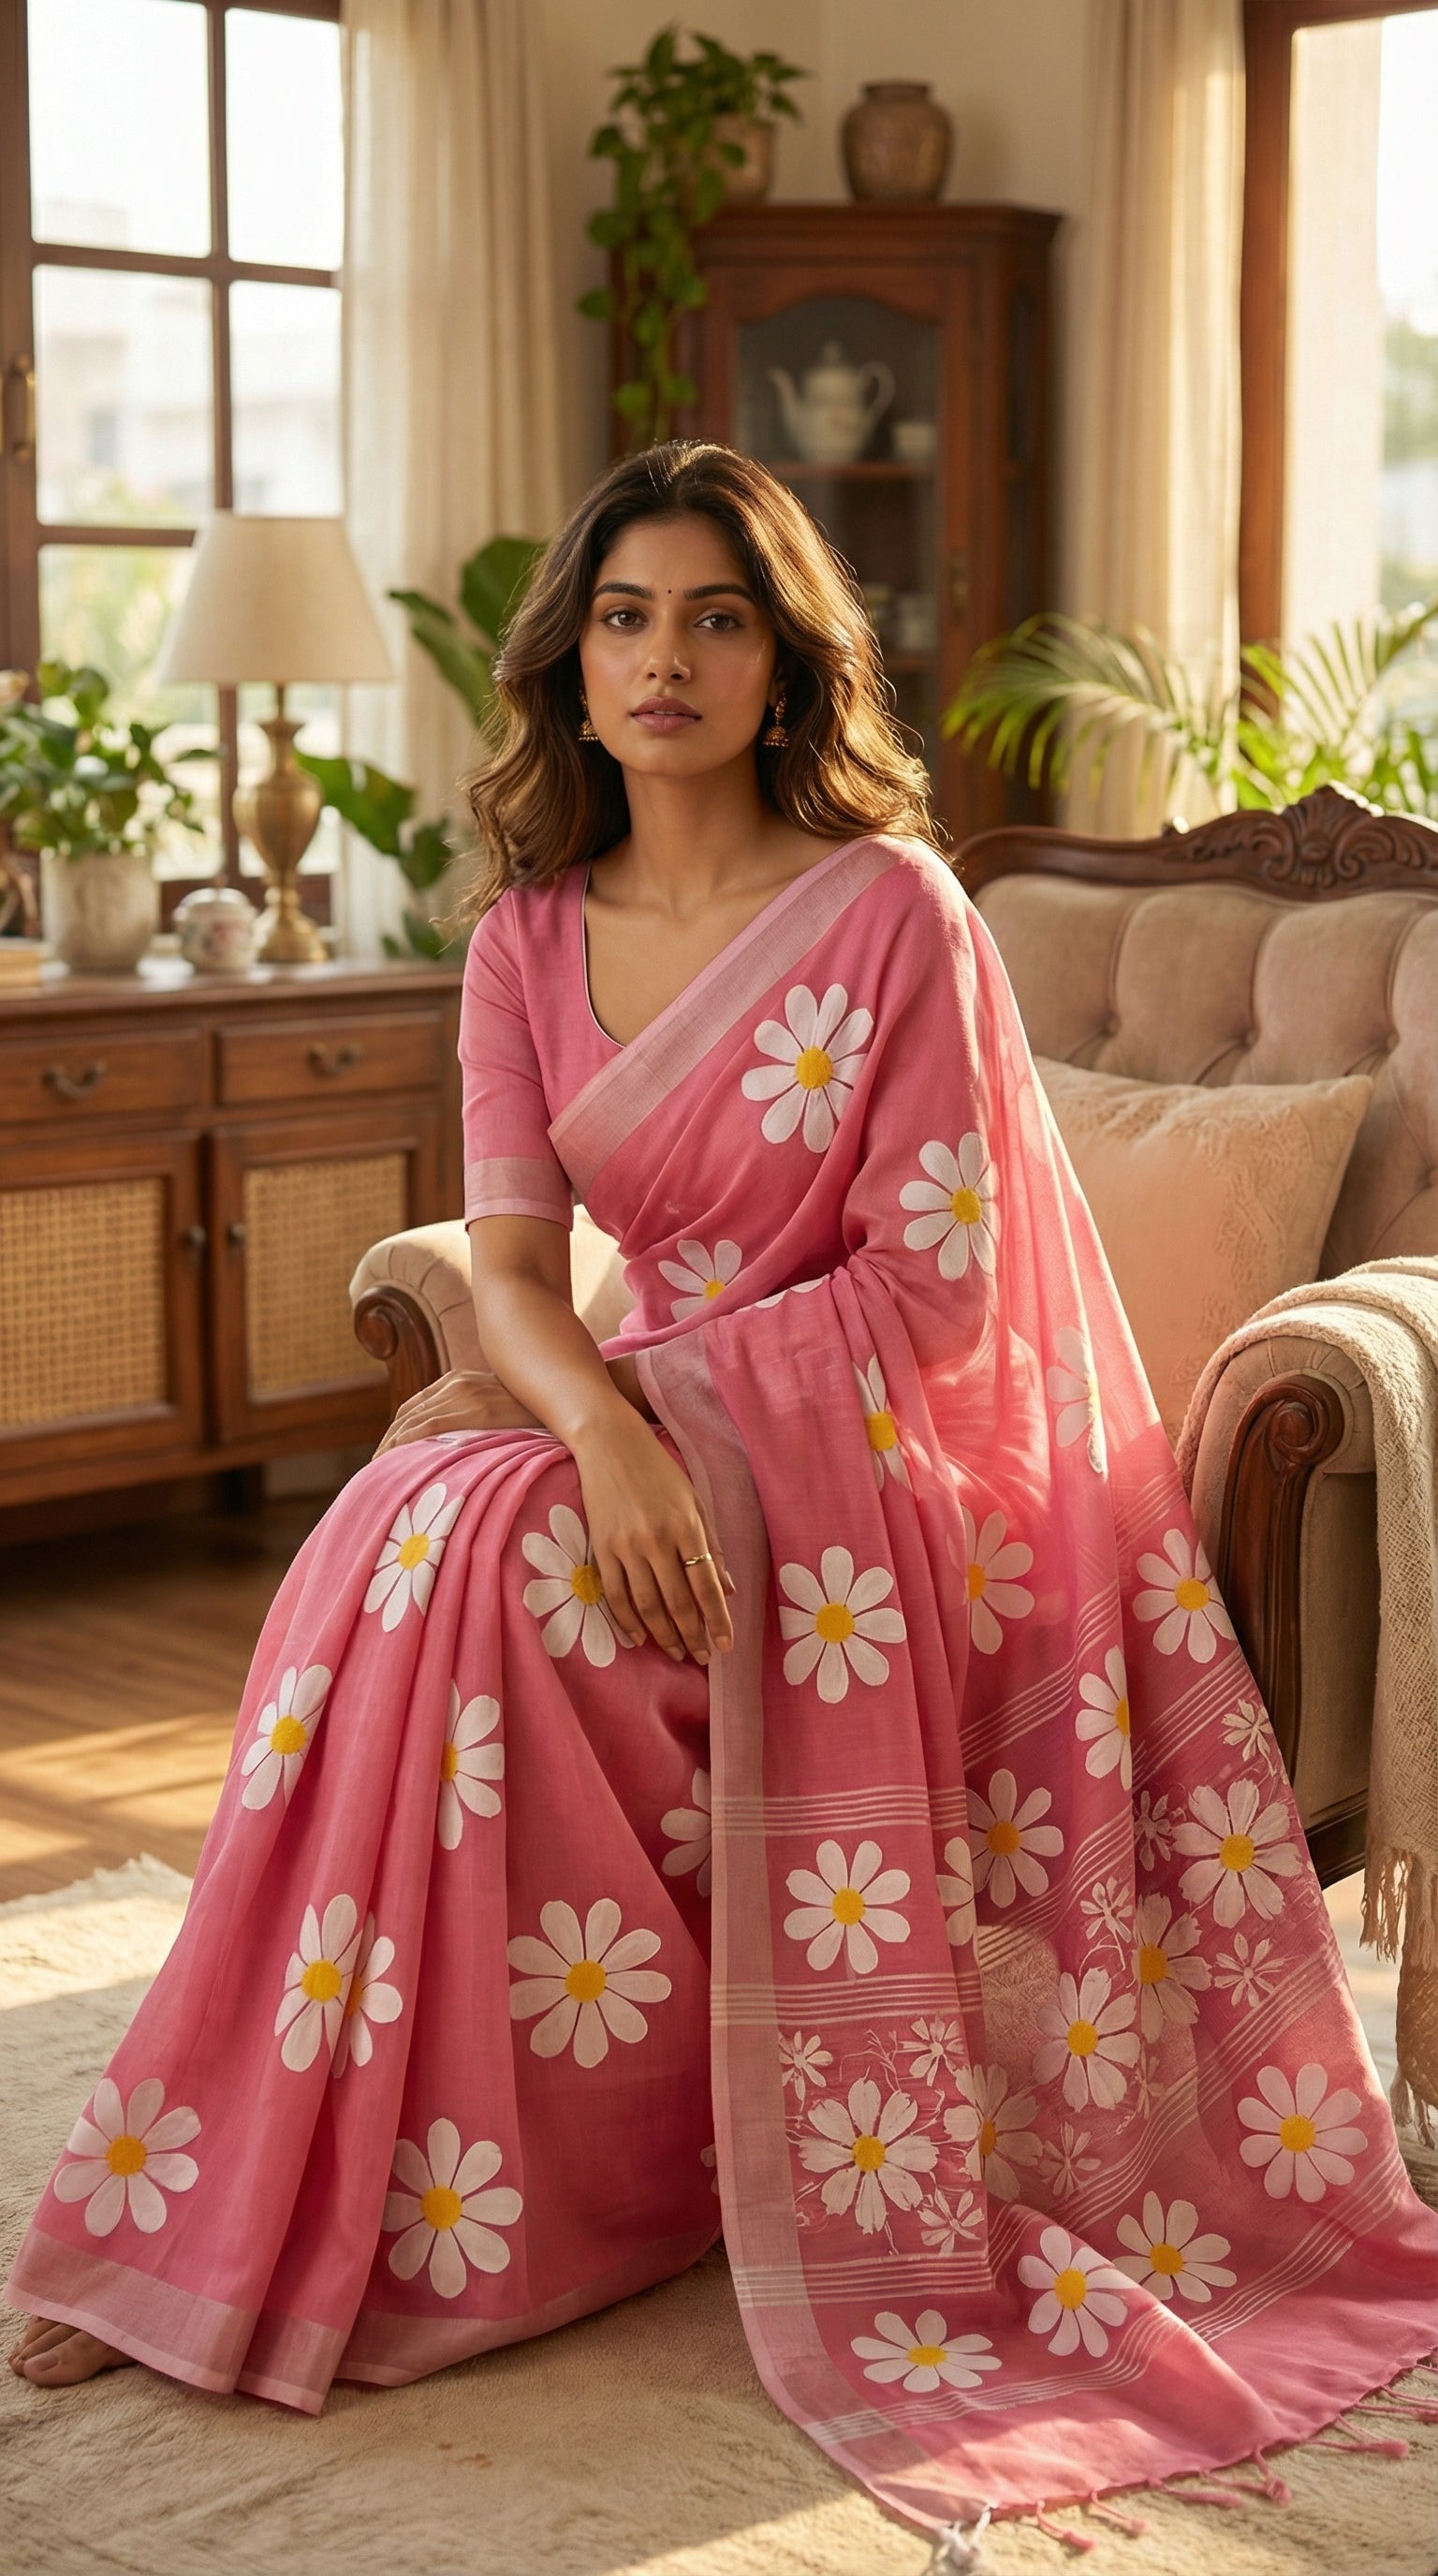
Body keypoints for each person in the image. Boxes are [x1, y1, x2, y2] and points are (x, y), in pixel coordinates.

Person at [9, 443, 1437, 2545]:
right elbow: (510, 1265)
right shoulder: (522, 938)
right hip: (647, 1420)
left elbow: (936, 1283)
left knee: (469, 1564)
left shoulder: (892, 914)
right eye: (624, 618)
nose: (663, 657)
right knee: (397, 1542)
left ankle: (494, 2215)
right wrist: (603, 1429)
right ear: (570, 670)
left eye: (716, 617)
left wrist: (674, 1428)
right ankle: (287, 2175)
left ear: (785, 669)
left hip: (882, 1477)